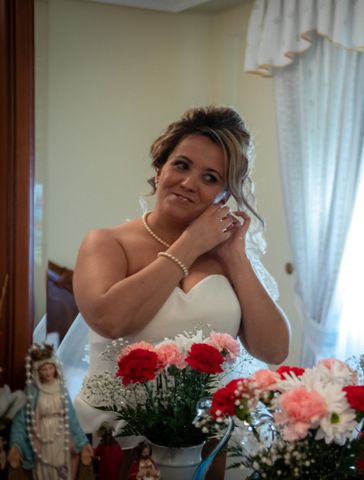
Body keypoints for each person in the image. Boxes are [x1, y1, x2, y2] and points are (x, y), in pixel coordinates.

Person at [71, 105, 290, 438]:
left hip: (212, 439)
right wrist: (190, 244)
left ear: (225, 194)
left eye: (210, 178)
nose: (189, 183)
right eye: (181, 165)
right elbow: (110, 320)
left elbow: (274, 349)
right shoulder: (106, 242)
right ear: (160, 169)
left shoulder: (230, 256)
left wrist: (236, 258)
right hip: (116, 436)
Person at [7, 343, 92, 479]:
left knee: (62, 468)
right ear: (37, 371)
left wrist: (82, 442)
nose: (48, 372)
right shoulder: (31, 392)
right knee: (44, 469)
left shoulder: (61, 390)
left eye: (50, 368)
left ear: (55, 368)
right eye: (44, 369)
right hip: (41, 437)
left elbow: (72, 419)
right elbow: (20, 420)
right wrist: (16, 444)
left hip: (61, 437)